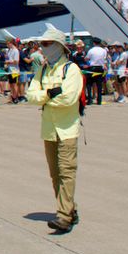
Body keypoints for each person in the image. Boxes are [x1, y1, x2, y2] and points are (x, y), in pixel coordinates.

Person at [25, 25, 84, 234]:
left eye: (47, 43)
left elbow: (69, 98)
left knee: (67, 171)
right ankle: (70, 208)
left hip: (67, 129)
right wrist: (51, 94)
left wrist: (45, 96)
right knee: (55, 174)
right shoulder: (42, 70)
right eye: (42, 44)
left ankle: (64, 216)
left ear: (59, 46)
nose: (43, 47)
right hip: (49, 129)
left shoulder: (71, 69)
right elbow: (31, 96)